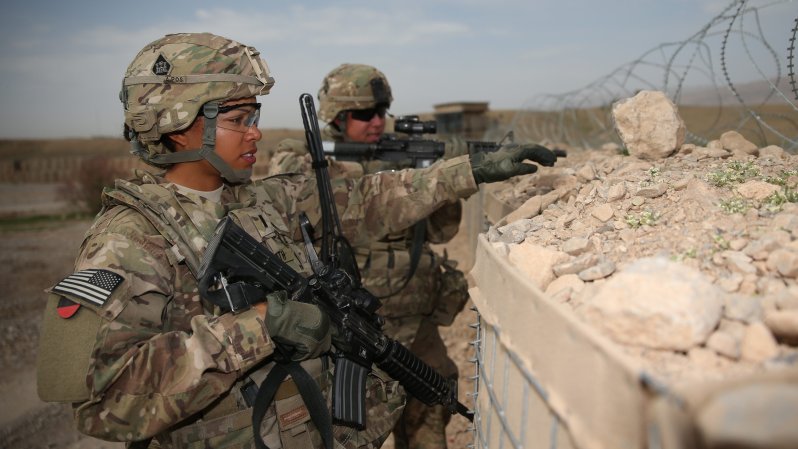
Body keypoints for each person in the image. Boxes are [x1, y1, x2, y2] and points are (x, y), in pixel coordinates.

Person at [35, 33, 557, 449]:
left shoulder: (265, 200)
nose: (256, 132)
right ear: (177, 126)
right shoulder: (126, 242)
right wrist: (262, 327)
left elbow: (373, 197)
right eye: (239, 119)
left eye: (254, 117)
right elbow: (101, 402)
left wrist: (470, 169)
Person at [267, 63, 555, 449]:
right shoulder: (304, 157)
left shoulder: (401, 155)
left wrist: (432, 184)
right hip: (346, 319)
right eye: (365, 114)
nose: (377, 122)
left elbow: (441, 232)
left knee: (429, 406)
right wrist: (392, 178)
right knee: (348, 421)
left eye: (382, 112)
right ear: (336, 116)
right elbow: (318, 205)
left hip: (414, 316)